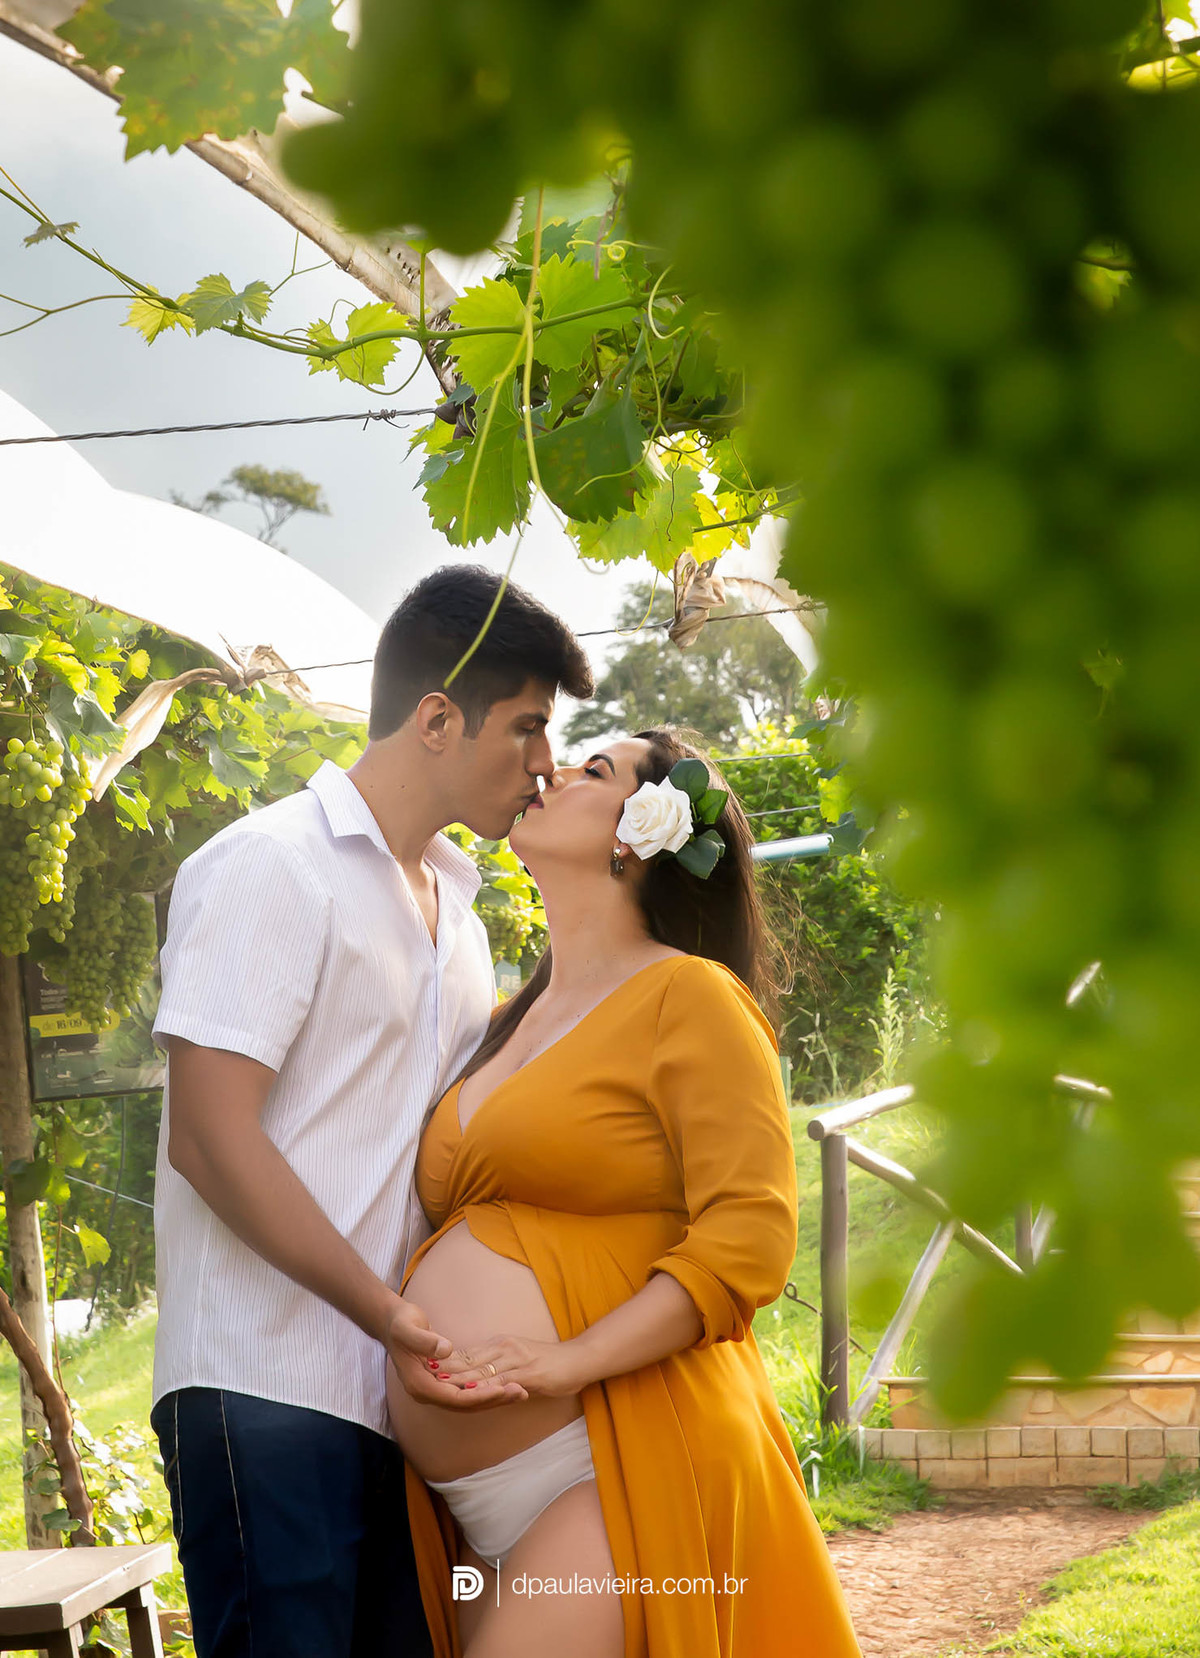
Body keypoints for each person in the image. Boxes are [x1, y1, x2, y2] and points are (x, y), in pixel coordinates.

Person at [148, 565, 593, 1658]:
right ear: (439, 717)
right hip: (261, 1386)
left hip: (397, 1409)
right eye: (530, 727)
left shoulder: (467, 920)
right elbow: (209, 1136)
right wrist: (385, 1311)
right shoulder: (269, 864)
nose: (545, 764)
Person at [389, 727, 862, 1658]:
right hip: (477, 1507)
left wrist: (567, 1362)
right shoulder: (500, 1019)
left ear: (637, 834)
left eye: (593, 770)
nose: (550, 769)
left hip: (618, 1454)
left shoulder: (692, 996)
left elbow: (748, 1242)